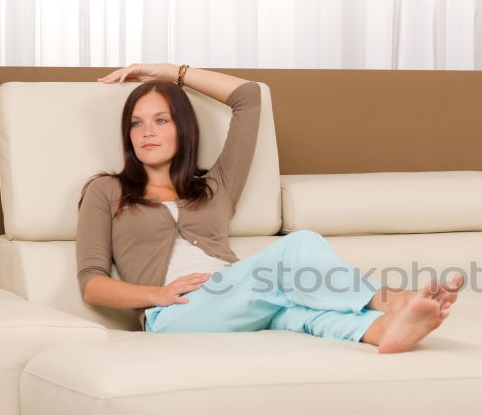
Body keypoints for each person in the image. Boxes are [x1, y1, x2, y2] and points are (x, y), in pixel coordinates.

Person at [77, 63, 462, 353]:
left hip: (238, 297)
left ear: (183, 128)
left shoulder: (214, 186)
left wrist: (165, 71)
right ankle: (391, 299)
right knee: (299, 247)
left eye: (161, 120)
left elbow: (248, 97)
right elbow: (92, 284)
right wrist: (156, 296)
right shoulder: (107, 190)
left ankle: (386, 331)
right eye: (136, 123)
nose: (147, 131)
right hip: (173, 315)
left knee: (297, 312)